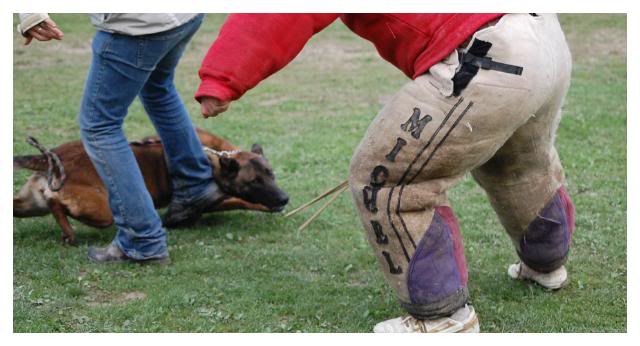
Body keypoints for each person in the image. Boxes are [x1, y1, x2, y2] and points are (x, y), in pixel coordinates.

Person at [195, 14, 576, 333]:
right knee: (520, 163)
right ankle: (545, 263)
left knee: (389, 178)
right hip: (540, 34)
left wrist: (221, 78)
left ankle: (442, 318)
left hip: (487, 53)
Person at [17, 13, 224, 264]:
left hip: (136, 25)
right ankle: (195, 183)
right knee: (157, 87)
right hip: (183, 16)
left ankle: (142, 240)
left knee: (99, 126)